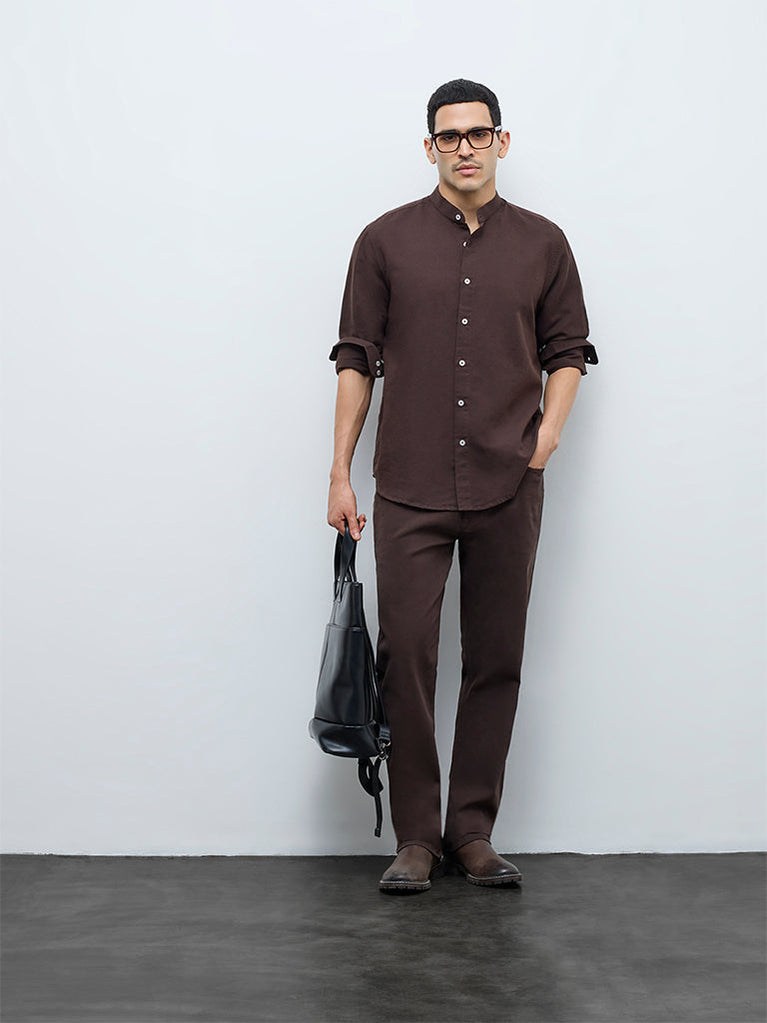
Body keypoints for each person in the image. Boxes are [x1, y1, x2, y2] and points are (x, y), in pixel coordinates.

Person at [326, 78, 598, 894]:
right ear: (429, 148)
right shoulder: (383, 241)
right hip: (407, 482)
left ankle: (472, 831)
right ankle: (417, 836)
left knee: (496, 656)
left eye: (479, 133)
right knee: (405, 655)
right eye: (449, 136)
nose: (465, 148)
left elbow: (568, 350)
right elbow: (355, 357)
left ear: (501, 141)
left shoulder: (543, 243)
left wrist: (544, 439)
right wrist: (338, 471)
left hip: (508, 481)